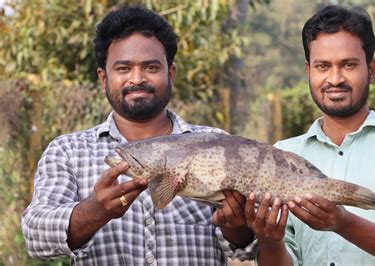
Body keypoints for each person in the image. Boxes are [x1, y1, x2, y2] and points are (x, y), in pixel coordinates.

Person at [21, 5, 256, 265]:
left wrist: (236, 225)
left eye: (151, 67)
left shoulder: (215, 142)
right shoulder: (68, 151)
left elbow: (245, 248)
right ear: (103, 78)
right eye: (123, 68)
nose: (137, 79)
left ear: (171, 73)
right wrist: (94, 211)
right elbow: (35, 237)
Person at [251, 5, 375, 266]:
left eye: (348, 65)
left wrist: (343, 223)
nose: (335, 78)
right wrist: (269, 240)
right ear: (309, 71)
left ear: (371, 69)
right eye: (322, 66)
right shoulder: (282, 154)